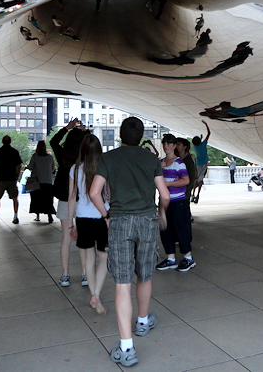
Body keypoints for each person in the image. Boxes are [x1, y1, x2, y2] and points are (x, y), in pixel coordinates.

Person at [89, 117, 170, 367]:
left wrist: (106, 216)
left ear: (120, 136)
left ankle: (127, 348)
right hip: (147, 220)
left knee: (122, 282)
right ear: (141, 135)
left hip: (120, 221)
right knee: (145, 274)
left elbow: (94, 192)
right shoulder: (150, 159)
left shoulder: (109, 158)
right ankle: (143, 322)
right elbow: (164, 194)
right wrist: (161, 212)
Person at [67, 134, 109, 315]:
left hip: (83, 217)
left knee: (89, 259)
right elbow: (110, 193)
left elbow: (71, 197)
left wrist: (70, 224)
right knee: (104, 257)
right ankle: (97, 293)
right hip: (102, 216)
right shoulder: (105, 166)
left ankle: (93, 294)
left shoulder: (75, 169)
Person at [50, 118, 88, 287]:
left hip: (65, 198)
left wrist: (67, 127)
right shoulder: (85, 154)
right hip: (83, 199)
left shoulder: (62, 154)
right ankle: (85, 274)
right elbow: (93, 144)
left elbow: (53, 141)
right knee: (83, 238)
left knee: (66, 237)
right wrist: (85, 131)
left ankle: (65, 275)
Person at [156, 134, 194, 272]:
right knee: (166, 229)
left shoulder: (179, 163)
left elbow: (186, 180)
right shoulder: (161, 162)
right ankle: (171, 258)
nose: (166, 146)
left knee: (181, 229)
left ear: (174, 145)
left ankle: (188, 257)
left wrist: (167, 183)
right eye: (164, 143)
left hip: (178, 201)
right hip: (164, 202)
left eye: (169, 143)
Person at [0, 135, 22, 224]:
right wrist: (17, 176)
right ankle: (15, 216)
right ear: (10, 141)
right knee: (15, 198)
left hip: (0, 178)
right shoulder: (14, 152)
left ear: (2, 141)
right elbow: (19, 166)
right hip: (12, 178)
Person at [27, 140, 55, 222]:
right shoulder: (50, 157)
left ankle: (38, 216)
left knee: (36, 199)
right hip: (48, 181)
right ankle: (49, 215)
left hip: (37, 181)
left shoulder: (35, 156)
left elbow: (30, 167)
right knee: (48, 200)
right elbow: (53, 169)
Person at [191, 120, 211, 204]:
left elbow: (198, 143)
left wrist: (200, 138)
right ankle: (198, 195)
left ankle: (192, 194)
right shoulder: (203, 144)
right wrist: (206, 124)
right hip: (204, 163)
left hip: (198, 164)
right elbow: (209, 133)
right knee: (200, 180)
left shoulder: (195, 147)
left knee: (196, 180)